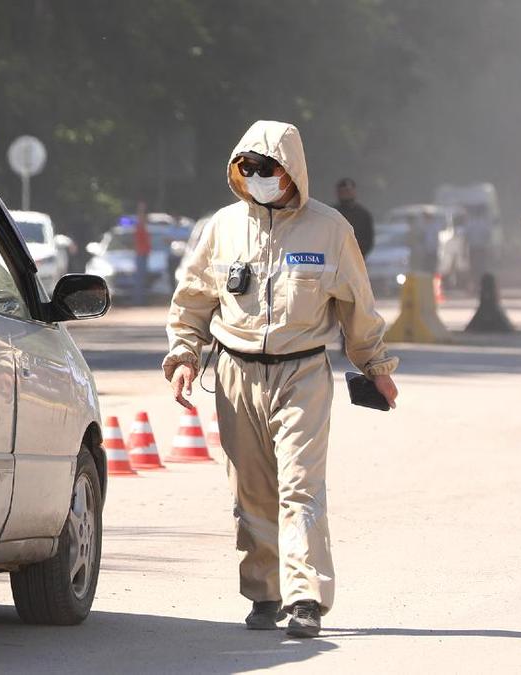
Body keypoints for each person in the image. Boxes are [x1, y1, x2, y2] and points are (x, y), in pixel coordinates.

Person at [164, 121, 399, 639]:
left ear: (292, 170)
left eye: (267, 168)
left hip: (303, 372)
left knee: (300, 487)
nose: (258, 177)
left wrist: (375, 367)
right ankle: (264, 593)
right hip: (234, 372)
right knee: (251, 492)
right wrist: (184, 355)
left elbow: (358, 306)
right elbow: (194, 299)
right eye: (247, 168)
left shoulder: (331, 229)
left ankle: (305, 597)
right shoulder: (222, 227)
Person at [334, 178, 374, 258]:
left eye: (348, 191)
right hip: (336, 257)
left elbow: (368, 238)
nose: (346, 194)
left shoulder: (363, 214)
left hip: (358, 257)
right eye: (343, 191)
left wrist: (359, 254)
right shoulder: (333, 214)